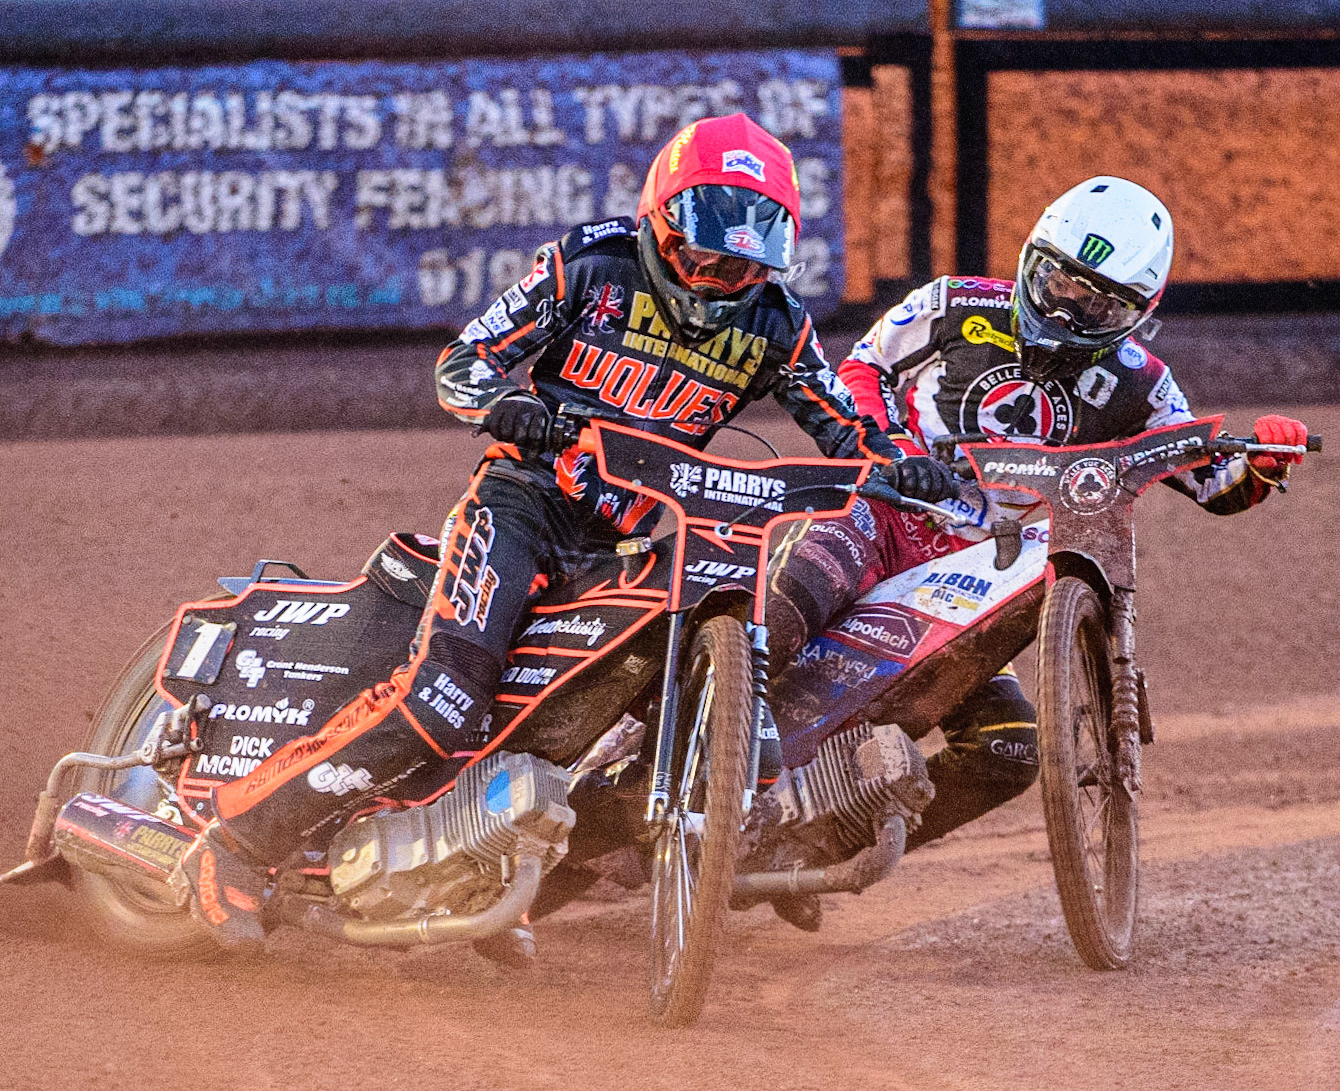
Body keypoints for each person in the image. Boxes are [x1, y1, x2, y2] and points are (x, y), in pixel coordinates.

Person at [170, 113, 955, 959]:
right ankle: (234, 843)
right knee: (444, 698)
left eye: (745, 259)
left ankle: (474, 869)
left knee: (572, 718)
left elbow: (845, 428)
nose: (722, 278)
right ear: (661, 223)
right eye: (704, 256)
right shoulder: (591, 262)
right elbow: (461, 362)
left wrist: (902, 467)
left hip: (624, 535)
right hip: (520, 506)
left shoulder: (774, 321)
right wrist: (506, 406)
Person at [762, 176, 1309, 915]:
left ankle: (807, 849)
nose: (1067, 309)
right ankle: (692, 734)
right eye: (1057, 282)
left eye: (1097, 304)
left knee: (1011, 748)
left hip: (974, 578)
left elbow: (1216, 483)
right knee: (784, 605)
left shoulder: (1140, 386)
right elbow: (858, 370)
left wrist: (1263, 462)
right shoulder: (953, 304)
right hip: (885, 514)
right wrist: (890, 450)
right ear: (1030, 258)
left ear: (1136, 315)